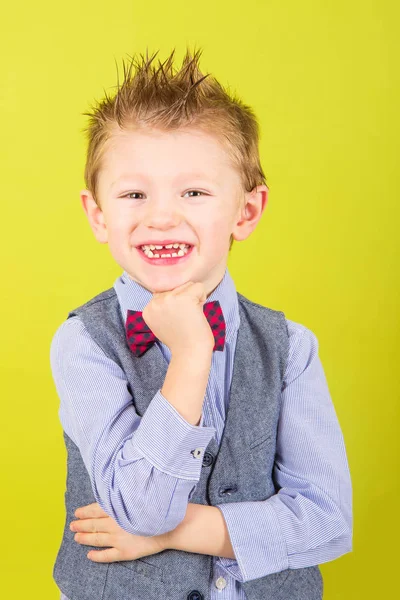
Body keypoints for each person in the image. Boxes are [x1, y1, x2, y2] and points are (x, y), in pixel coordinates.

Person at [50, 47, 353, 600]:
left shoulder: (290, 348)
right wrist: (192, 356)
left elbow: (328, 521)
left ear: (247, 212)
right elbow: (137, 505)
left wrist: (179, 533)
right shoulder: (84, 343)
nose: (161, 215)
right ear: (98, 214)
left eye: (193, 191)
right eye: (134, 193)